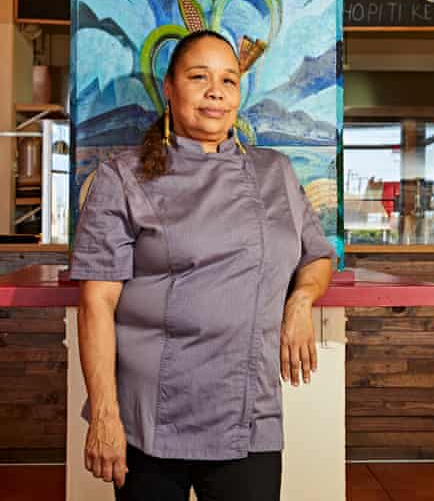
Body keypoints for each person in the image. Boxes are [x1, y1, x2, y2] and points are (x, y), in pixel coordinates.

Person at [69, 30, 335, 501]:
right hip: (149, 418)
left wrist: (300, 301)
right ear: (169, 89)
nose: (216, 92)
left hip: (248, 411)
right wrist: (106, 415)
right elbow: (96, 302)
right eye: (199, 77)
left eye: (229, 80)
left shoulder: (275, 172)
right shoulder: (122, 176)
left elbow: (316, 254)